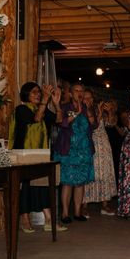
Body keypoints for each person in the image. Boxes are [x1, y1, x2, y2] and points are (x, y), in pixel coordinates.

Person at [8, 82, 67, 232]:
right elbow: (36, 118)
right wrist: (45, 99)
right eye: (34, 92)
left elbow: (59, 121)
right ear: (26, 94)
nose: (38, 94)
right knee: (26, 187)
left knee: (43, 185)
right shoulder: (21, 109)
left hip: (41, 155)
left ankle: (48, 219)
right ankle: (25, 220)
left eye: (39, 92)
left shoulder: (43, 108)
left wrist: (57, 104)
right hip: (24, 155)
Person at [53, 83, 96, 225]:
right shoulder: (65, 107)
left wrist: (87, 109)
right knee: (67, 182)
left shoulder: (86, 108)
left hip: (84, 150)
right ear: (71, 93)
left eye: (82, 91)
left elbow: (93, 125)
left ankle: (77, 212)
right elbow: (62, 123)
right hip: (68, 150)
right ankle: (65, 213)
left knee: (80, 183)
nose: (79, 93)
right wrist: (76, 113)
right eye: (76, 90)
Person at [82, 90, 117, 217]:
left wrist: (110, 111)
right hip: (88, 143)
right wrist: (101, 113)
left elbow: (111, 123)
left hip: (103, 144)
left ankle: (105, 205)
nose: (88, 100)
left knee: (105, 173)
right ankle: (84, 206)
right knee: (89, 173)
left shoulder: (98, 108)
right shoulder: (80, 110)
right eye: (85, 98)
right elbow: (93, 126)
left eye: (90, 97)